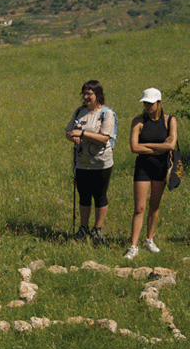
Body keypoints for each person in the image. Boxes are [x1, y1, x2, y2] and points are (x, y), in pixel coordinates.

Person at [123, 88, 178, 259]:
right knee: (139, 207)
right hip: (143, 167)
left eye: (150, 103)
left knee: (154, 205)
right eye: (145, 103)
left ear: (159, 103)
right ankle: (133, 246)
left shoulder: (170, 120)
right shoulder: (138, 121)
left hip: (161, 167)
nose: (147, 106)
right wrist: (158, 147)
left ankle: (149, 239)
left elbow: (171, 145)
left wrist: (146, 147)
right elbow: (134, 147)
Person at [65, 80, 117, 241]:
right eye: (84, 94)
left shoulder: (107, 114)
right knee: (84, 196)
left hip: (101, 163)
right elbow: (68, 132)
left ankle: (97, 229)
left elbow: (104, 138)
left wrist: (81, 134)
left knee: (100, 195)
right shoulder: (80, 111)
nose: (86, 97)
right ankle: (83, 227)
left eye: (89, 94)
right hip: (81, 162)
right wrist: (73, 136)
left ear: (98, 94)